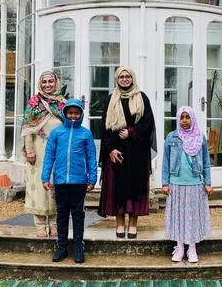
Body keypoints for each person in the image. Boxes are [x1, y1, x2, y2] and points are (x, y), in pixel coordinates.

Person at [98, 66, 156, 239]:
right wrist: (110, 149)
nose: (124, 79)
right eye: (121, 77)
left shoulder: (141, 97)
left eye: (127, 76)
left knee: (135, 188)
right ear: (117, 79)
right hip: (116, 153)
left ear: (133, 78)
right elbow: (104, 128)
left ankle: (133, 225)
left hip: (137, 152)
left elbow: (148, 123)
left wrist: (131, 132)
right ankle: (119, 224)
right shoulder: (111, 99)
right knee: (118, 188)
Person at [41, 99, 97, 264]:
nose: (73, 116)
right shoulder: (57, 133)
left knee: (78, 214)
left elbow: (91, 157)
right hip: (60, 181)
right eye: (70, 113)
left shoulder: (86, 134)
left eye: (76, 113)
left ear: (81, 114)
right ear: (65, 114)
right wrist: (45, 177)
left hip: (79, 181)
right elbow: (49, 156)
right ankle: (62, 246)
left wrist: (92, 178)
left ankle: (78, 246)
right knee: (62, 214)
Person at [162, 106, 212, 263]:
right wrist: (165, 182)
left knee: (192, 217)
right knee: (178, 217)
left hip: (195, 183)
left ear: (193, 119)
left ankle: (192, 248)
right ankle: (180, 247)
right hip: (176, 184)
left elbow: (206, 161)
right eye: (182, 117)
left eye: (187, 117)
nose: (184, 121)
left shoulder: (200, 137)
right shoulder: (171, 137)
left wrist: (208, 182)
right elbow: (165, 161)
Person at [20, 71, 66, 238]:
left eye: (50, 81)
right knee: (39, 185)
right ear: (40, 84)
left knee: (56, 184)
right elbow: (27, 129)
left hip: (58, 151)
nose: (47, 85)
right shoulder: (34, 103)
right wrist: (30, 151)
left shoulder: (62, 103)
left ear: (56, 83)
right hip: (38, 151)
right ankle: (40, 224)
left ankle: (54, 223)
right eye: (44, 82)